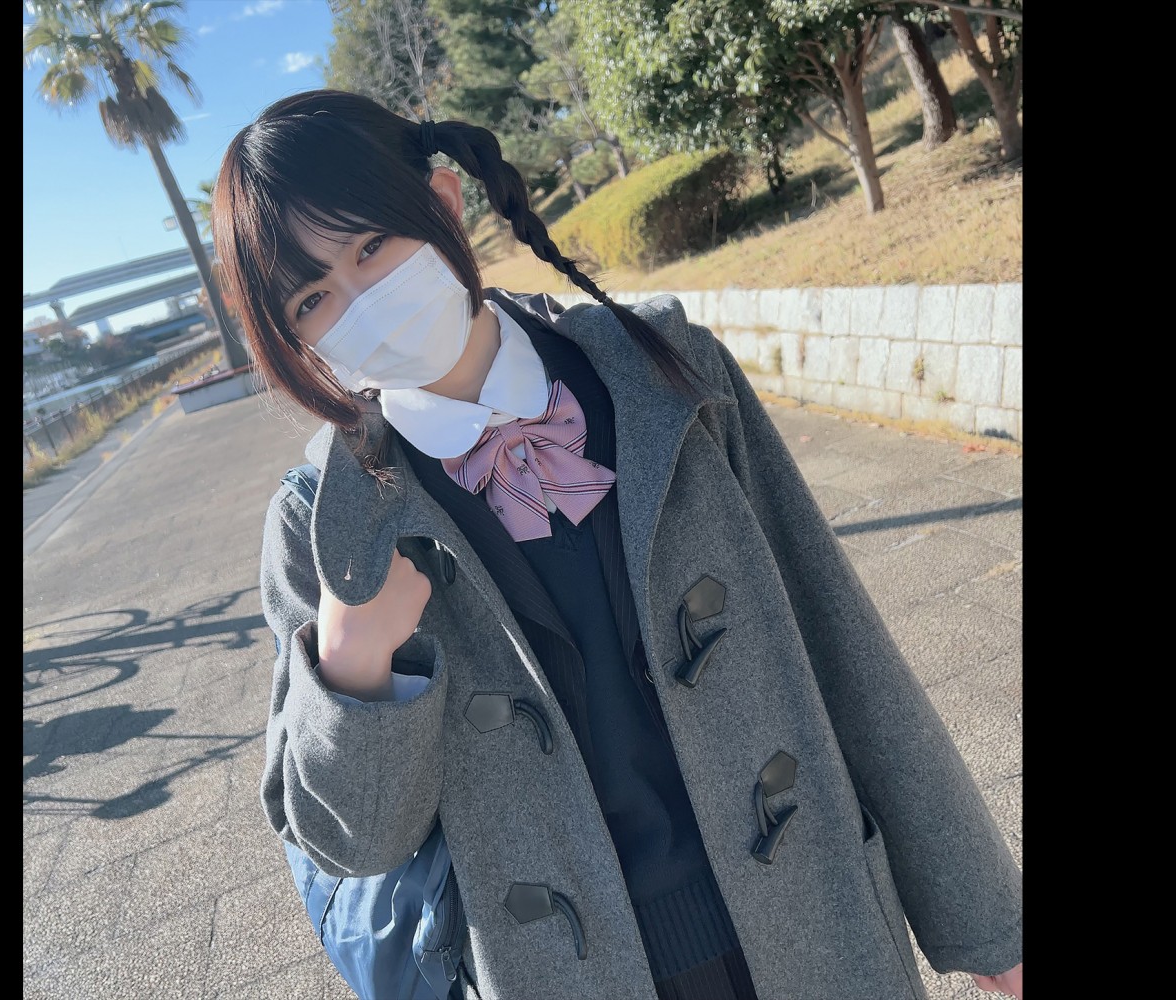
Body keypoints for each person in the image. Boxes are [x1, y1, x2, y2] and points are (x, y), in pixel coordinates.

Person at [220, 89, 1023, 1000]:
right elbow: (353, 844)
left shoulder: (665, 371)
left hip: (818, 925)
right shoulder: (322, 524)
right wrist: (352, 670)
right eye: (313, 298)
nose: (361, 302)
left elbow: (841, 639)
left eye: (371, 246)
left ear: (443, 202)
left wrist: (983, 916)